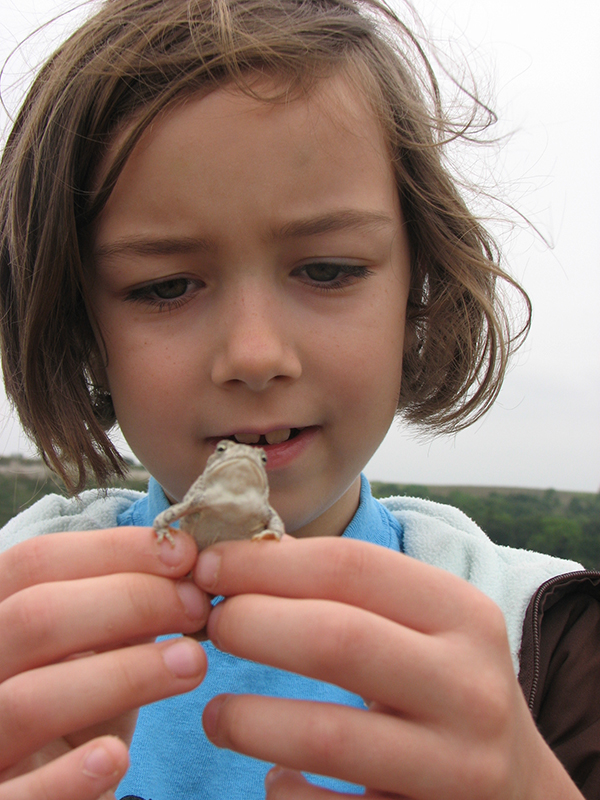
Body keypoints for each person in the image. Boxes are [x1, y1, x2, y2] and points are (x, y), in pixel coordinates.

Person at [0, 0, 598, 798]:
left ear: (417, 291)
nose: (255, 354)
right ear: (80, 324)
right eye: (164, 286)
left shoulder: (551, 644)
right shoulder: (15, 615)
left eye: (329, 270)